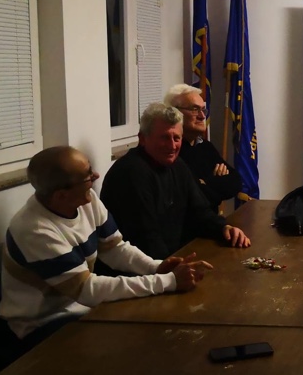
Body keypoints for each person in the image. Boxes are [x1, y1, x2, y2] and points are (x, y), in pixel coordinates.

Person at [0, 146, 211, 360]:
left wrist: (155, 267)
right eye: (87, 176)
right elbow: (87, 289)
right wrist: (168, 281)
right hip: (43, 324)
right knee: (136, 349)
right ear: (62, 195)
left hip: (81, 307)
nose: (96, 176)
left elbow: (115, 248)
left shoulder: (85, 199)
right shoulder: (35, 231)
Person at [101, 103, 250, 261]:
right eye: (164, 137)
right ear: (143, 138)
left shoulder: (177, 165)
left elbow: (200, 211)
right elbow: (146, 239)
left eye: (177, 138)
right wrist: (174, 270)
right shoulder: (131, 173)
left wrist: (223, 228)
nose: (172, 146)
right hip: (138, 268)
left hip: (170, 259)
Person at [163, 84, 242, 213]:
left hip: (211, 221)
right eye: (194, 109)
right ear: (174, 113)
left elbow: (236, 181)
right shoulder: (170, 151)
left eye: (203, 110)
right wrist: (215, 183)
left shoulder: (204, 146)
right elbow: (192, 200)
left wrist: (205, 183)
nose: (202, 116)